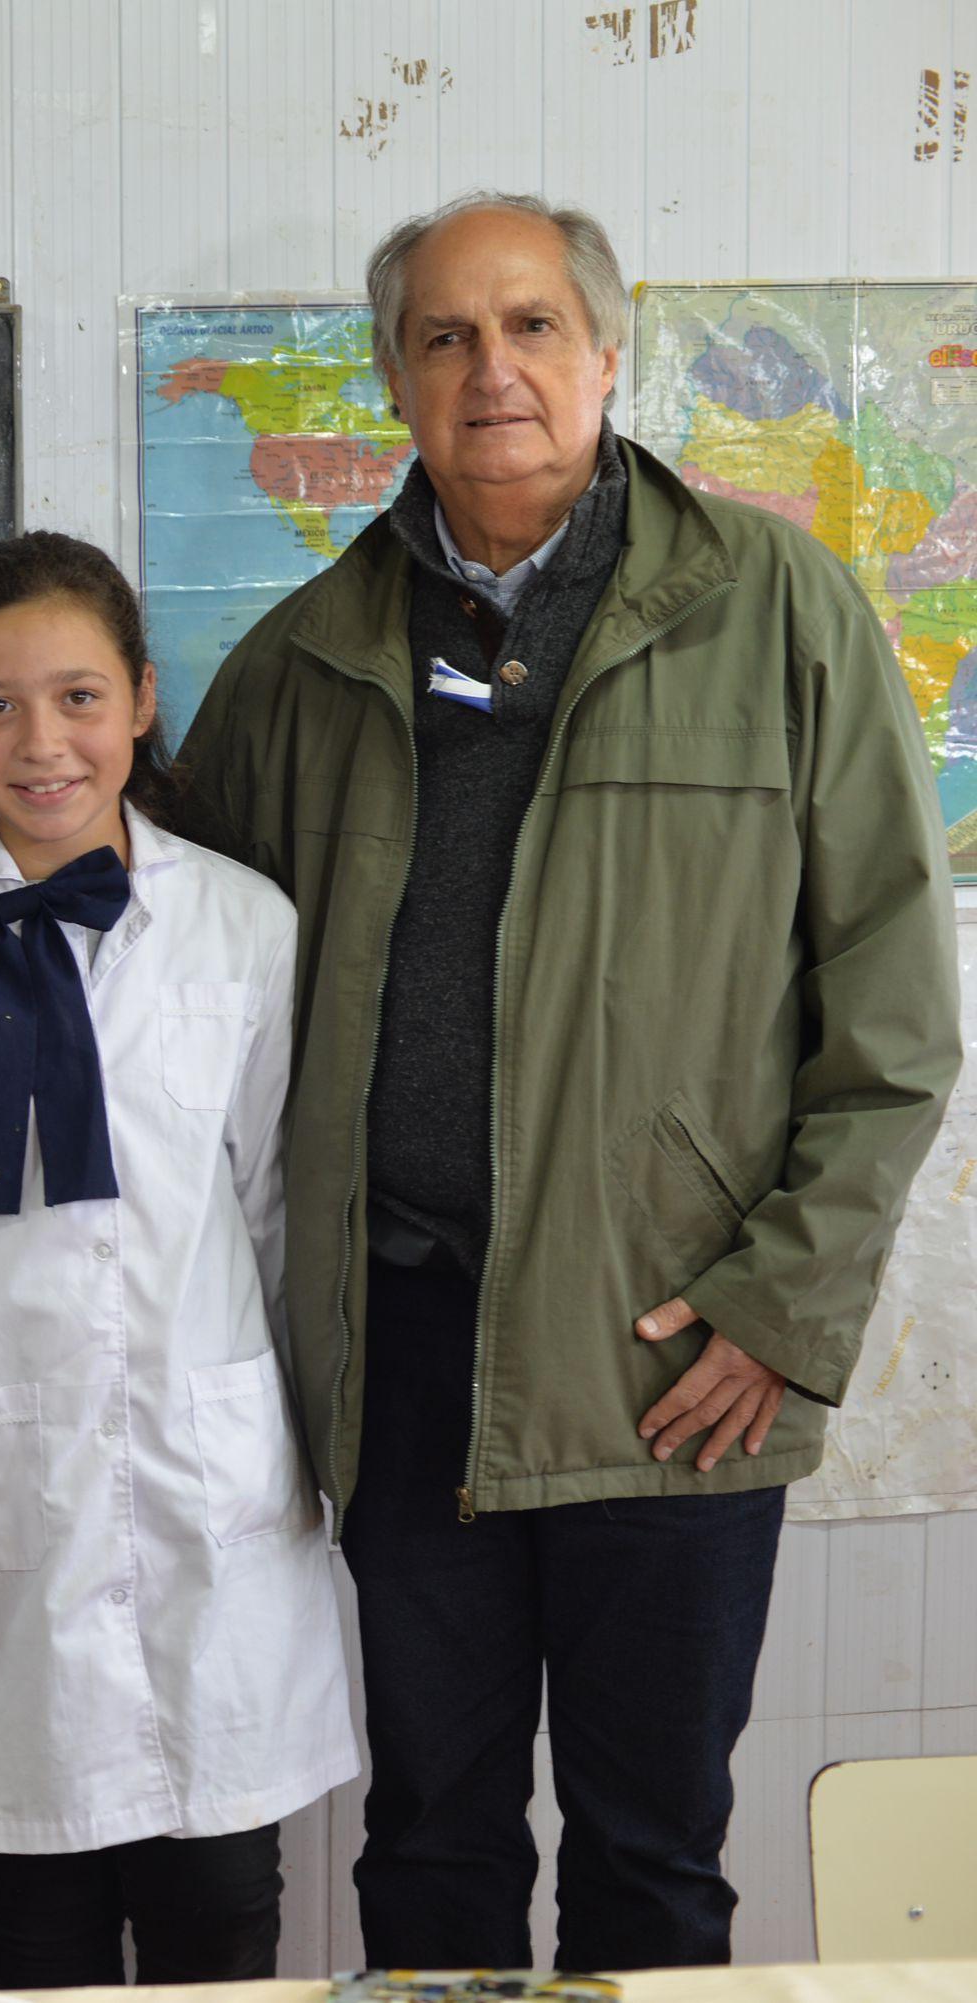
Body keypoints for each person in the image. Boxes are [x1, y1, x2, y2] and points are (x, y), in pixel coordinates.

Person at [180, 190, 962, 1972]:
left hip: (676, 1358)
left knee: (654, 1852)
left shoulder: (783, 612)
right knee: (431, 1848)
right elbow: (169, 983)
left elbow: (899, 1020)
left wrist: (782, 1305)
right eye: (446, 335)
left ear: (610, 355)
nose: (494, 369)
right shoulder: (299, 663)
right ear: (395, 378)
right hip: (405, 1362)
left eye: (533, 325)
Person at [0, 533, 355, 1987]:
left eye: (76, 697)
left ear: (140, 697)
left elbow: (280, 1216)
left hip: (211, 1484)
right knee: (42, 1920)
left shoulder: (245, 927)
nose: (41, 742)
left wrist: (315, 1439)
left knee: (223, 1911)